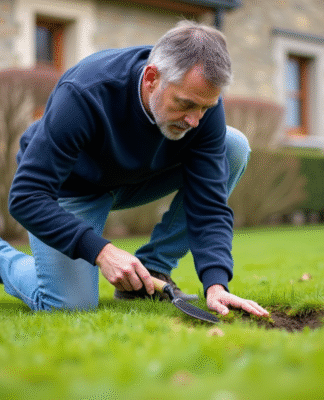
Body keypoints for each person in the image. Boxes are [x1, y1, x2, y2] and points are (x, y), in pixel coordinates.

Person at [0, 20, 268, 317]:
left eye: (205, 108)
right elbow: (26, 197)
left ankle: (154, 268)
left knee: (234, 147)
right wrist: (103, 251)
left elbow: (210, 205)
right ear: (152, 78)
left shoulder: (203, 107)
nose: (195, 120)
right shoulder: (86, 91)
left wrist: (216, 284)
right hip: (73, 190)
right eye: (186, 104)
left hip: (136, 181)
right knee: (68, 306)